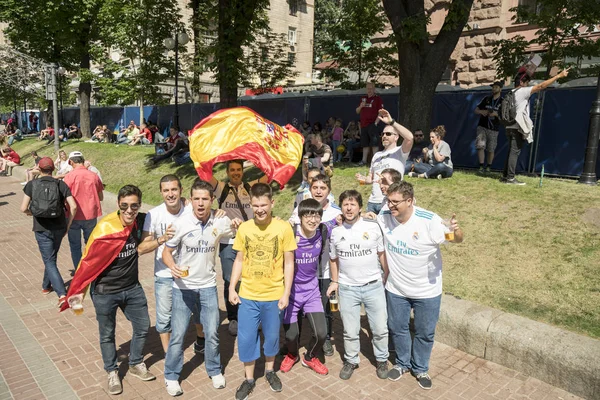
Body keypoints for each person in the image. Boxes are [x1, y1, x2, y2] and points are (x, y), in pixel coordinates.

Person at [376, 181, 463, 389]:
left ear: (410, 201)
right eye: (389, 201)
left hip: (427, 291)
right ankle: (402, 363)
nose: (391, 206)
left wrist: (456, 231)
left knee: (425, 332)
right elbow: (370, 223)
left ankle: (421, 367)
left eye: (396, 202)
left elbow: (457, 240)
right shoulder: (384, 217)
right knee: (398, 328)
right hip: (396, 289)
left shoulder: (429, 221)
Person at [161, 180, 241, 395]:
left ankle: (214, 369)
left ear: (211, 200)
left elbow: (236, 233)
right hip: (183, 288)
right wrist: (172, 267)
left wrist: (235, 226)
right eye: (196, 198)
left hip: (207, 286)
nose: (200, 203)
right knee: (178, 335)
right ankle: (171, 376)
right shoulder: (181, 223)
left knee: (212, 332)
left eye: (205, 198)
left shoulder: (220, 221)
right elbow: (166, 253)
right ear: (190, 200)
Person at [83, 185, 156, 395]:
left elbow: (170, 210)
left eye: (134, 205)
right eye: (124, 205)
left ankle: (135, 363)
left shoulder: (142, 221)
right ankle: (112, 371)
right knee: (107, 334)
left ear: (139, 205)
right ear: (118, 205)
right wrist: (79, 290)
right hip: (105, 291)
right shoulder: (106, 227)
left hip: (132, 287)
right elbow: (88, 260)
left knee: (143, 326)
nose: (129, 210)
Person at [228, 183, 297, 400]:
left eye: (263, 205)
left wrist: (286, 293)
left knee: (271, 338)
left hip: (273, 295)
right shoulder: (245, 228)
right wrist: (232, 287)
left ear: (272, 203)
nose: (259, 209)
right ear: (251, 205)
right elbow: (239, 260)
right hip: (248, 295)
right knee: (247, 338)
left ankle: (269, 371)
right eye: (255, 205)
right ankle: (249, 379)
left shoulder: (283, 228)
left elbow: (289, 263)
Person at [138, 175, 205, 358]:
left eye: (174, 189)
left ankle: (201, 341)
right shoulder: (154, 214)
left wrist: (220, 212)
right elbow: (142, 248)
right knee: (164, 316)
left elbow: (208, 210)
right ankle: (170, 354)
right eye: (166, 190)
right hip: (164, 273)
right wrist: (162, 239)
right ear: (161, 192)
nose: (170, 194)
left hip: (191, 273)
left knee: (199, 310)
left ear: (181, 190)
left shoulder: (191, 208)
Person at [326, 190, 389, 380]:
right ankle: (351, 360)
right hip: (347, 288)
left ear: (360, 207)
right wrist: (335, 281)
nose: (349, 207)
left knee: (379, 328)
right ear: (341, 207)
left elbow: (381, 254)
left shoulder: (372, 227)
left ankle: (381, 359)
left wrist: (387, 274)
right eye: (345, 204)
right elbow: (333, 260)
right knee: (350, 330)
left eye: (353, 204)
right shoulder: (336, 233)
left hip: (373, 285)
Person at [208, 160, 269, 336]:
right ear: (227, 172)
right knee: (229, 280)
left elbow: (270, 176)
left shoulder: (250, 187)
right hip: (228, 242)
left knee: (251, 278)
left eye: (238, 170)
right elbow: (205, 175)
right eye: (232, 170)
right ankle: (233, 317)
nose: (236, 172)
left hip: (250, 241)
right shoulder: (220, 188)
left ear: (243, 171)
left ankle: (252, 314)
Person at [280, 199, 336, 376]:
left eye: (317, 215)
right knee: (290, 336)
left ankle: (310, 357)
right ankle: (292, 354)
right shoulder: (290, 232)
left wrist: (365, 215)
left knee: (321, 334)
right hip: (291, 292)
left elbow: (340, 218)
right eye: (308, 215)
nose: (313, 220)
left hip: (312, 291)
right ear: (300, 217)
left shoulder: (323, 229)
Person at [290, 174, 341, 356]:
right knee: (299, 308)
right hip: (305, 270)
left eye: (323, 188)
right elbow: (293, 230)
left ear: (329, 190)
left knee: (326, 306)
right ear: (310, 189)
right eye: (315, 187)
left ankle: (325, 339)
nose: (318, 191)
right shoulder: (301, 209)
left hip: (326, 268)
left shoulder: (336, 211)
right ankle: (296, 339)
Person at [20, 157, 77, 306]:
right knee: (51, 258)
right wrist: (68, 224)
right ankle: (46, 286)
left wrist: (32, 213)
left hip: (41, 228)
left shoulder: (32, 185)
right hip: (59, 227)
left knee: (49, 260)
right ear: (53, 169)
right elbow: (74, 206)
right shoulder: (61, 184)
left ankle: (62, 294)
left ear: (39, 168)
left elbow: (23, 208)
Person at [502, 68, 569, 185]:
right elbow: (541, 86)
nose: (528, 85)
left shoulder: (511, 92)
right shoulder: (522, 91)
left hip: (509, 126)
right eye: (527, 83)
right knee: (515, 151)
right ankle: (510, 178)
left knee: (511, 151)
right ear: (522, 83)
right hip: (517, 125)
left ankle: (505, 176)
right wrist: (558, 76)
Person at [355, 108, 413, 215]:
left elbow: (410, 138)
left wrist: (392, 122)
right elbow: (371, 179)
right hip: (372, 202)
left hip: (390, 200)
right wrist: (363, 180)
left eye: (388, 134)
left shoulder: (400, 151)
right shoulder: (377, 155)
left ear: (396, 137)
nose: (384, 136)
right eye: (383, 134)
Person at [63, 151, 104, 271]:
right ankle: (92, 268)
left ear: (71, 162)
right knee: (91, 244)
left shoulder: (69, 176)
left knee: (75, 246)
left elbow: (65, 197)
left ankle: (79, 270)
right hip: (91, 214)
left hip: (73, 216)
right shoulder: (93, 175)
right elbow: (101, 197)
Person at [475, 81, 503, 173]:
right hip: (482, 126)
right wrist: (482, 112)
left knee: (491, 148)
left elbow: (505, 116)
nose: (493, 89)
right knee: (480, 146)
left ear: (500, 89)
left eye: (496, 87)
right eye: (493, 87)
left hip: (494, 128)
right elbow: (476, 109)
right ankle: (481, 166)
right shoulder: (486, 99)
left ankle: (488, 167)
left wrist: (496, 114)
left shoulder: (503, 101)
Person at [356, 82, 383, 166]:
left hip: (373, 123)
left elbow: (381, 112)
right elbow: (357, 111)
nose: (369, 90)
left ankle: (375, 161)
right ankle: (364, 161)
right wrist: (361, 106)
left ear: (374, 89)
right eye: (368, 89)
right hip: (364, 124)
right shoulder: (363, 99)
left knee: (374, 143)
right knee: (365, 143)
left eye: (371, 88)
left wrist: (376, 123)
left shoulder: (377, 99)